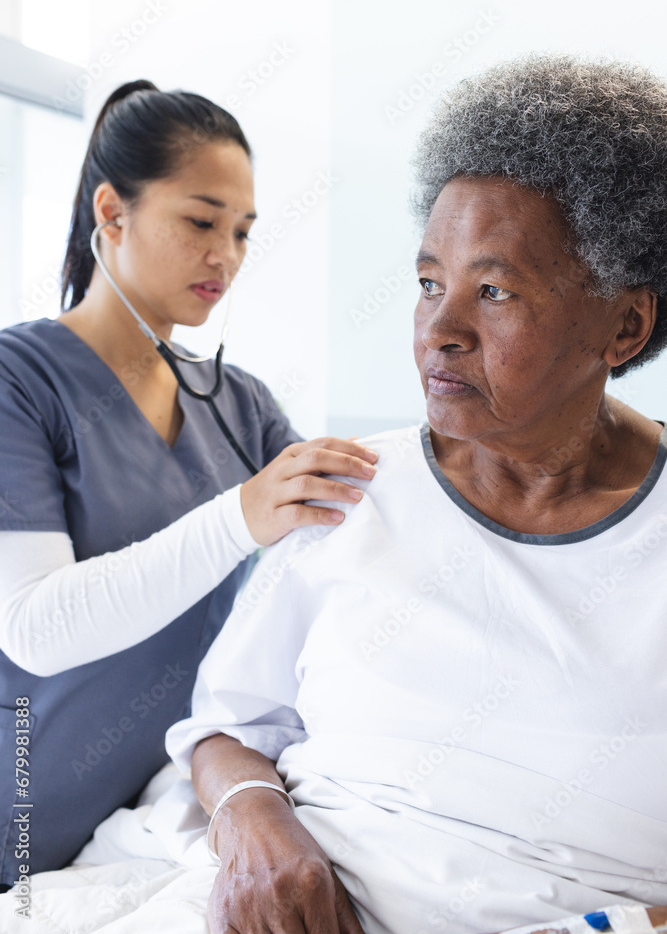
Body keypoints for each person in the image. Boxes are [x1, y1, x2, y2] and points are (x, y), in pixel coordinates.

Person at [165, 55, 667, 934]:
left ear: (623, 325)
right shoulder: (348, 489)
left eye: (494, 291)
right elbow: (224, 727)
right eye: (429, 283)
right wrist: (253, 820)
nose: (439, 332)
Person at [0, 80, 377, 886]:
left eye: (241, 231)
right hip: (24, 805)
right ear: (112, 212)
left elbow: (338, 544)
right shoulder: (18, 381)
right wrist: (239, 515)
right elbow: (34, 627)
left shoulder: (240, 406)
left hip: (152, 813)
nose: (227, 256)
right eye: (201, 221)